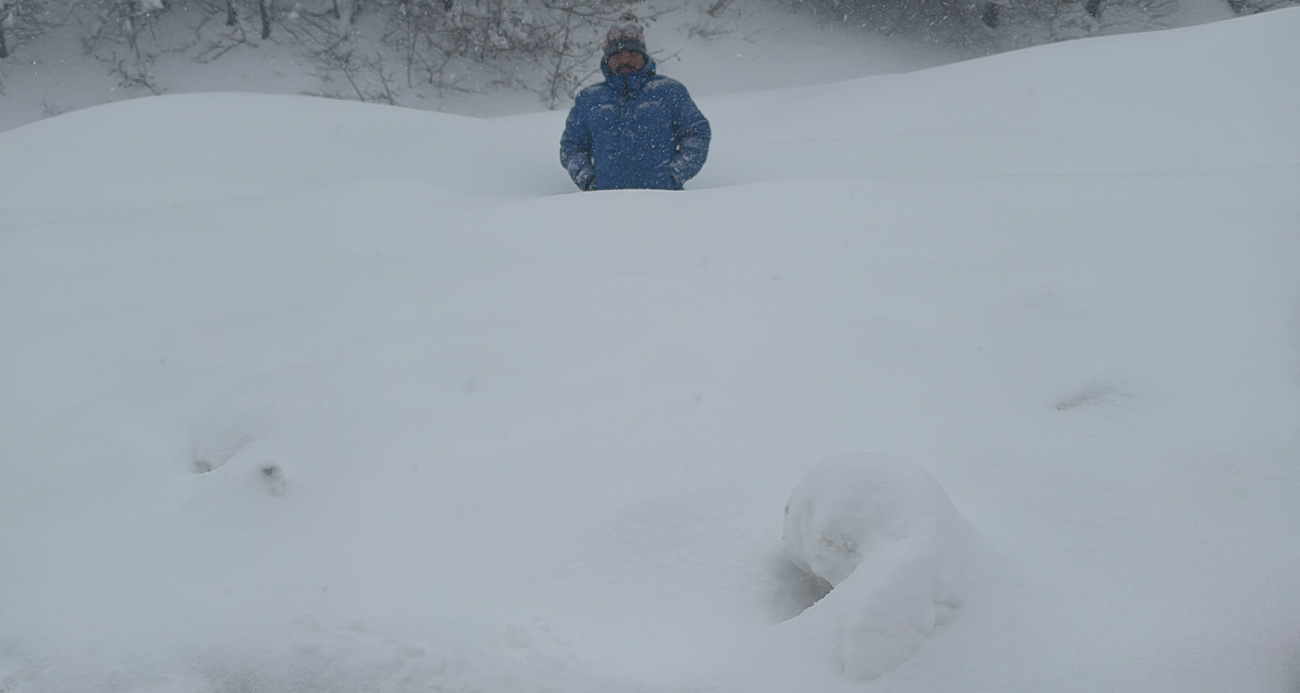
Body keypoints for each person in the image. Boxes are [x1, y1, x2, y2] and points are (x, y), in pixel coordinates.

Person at [560, 16, 711, 191]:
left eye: (631, 53)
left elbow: (697, 133)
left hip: (663, 200)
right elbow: (572, 147)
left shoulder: (669, 91)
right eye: (616, 54)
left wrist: (675, 174)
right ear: (607, 59)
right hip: (605, 203)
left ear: (643, 55)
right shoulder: (589, 99)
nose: (624, 60)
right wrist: (588, 180)